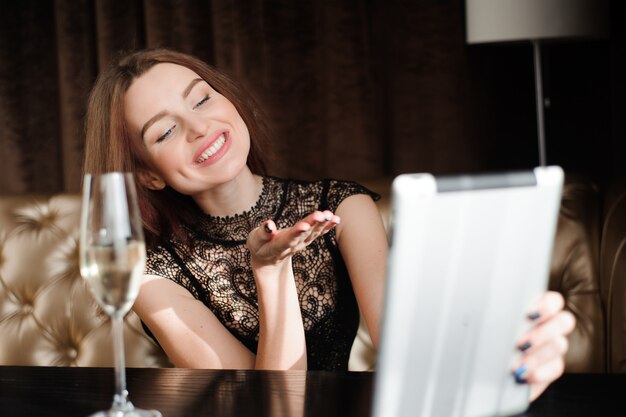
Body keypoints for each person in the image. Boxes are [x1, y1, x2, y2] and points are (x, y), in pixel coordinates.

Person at [83, 48, 575, 400]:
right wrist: (271, 273)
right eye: (166, 130)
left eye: (202, 98)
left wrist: (498, 354)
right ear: (146, 173)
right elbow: (267, 407)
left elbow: (402, 346)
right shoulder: (151, 273)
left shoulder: (341, 205)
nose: (199, 127)